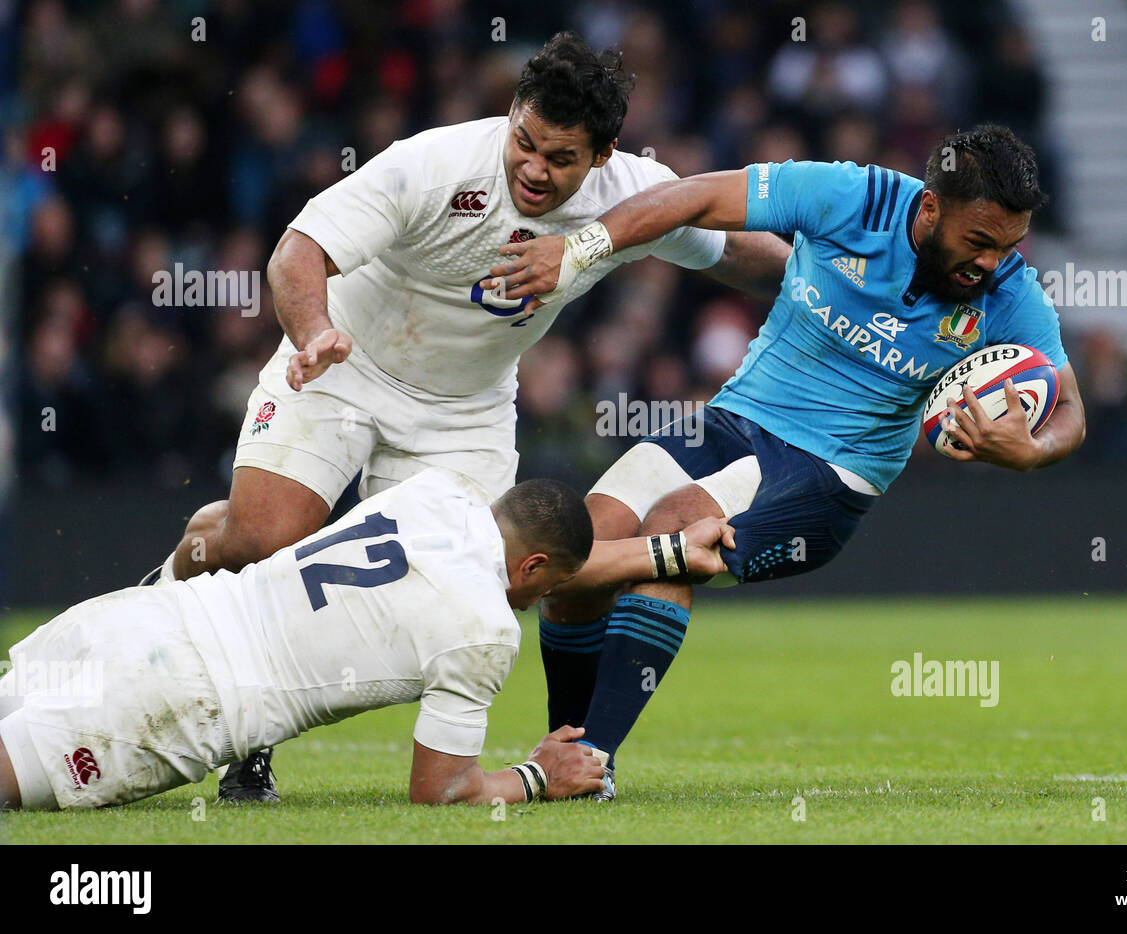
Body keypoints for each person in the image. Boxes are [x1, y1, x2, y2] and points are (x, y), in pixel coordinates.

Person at [144, 31, 789, 798]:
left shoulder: (632, 196)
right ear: (513, 112)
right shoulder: (435, 164)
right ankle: (183, 571)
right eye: (526, 142)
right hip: (345, 364)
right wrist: (314, 330)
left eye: (561, 159)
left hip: (465, 412)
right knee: (264, 538)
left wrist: (824, 296)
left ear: (605, 155)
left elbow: (734, 252)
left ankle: (260, 728)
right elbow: (298, 250)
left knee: (478, 590)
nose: (534, 168)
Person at [492, 124, 1087, 799]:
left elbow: (1070, 409)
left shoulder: (1011, 297)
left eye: (1008, 246)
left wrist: (1030, 450)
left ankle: (591, 762)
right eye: (978, 242)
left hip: (829, 475)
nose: (990, 263)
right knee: (580, 547)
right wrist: (577, 249)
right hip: (731, 420)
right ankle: (569, 750)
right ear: (929, 209)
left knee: (676, 532)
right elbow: (691, 198)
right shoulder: (849, 199)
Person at [0, 469, 735, 810]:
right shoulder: (483, 631)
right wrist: (539, 775)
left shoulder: (434, 492)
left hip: (138, 618)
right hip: (174, 701)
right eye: (544, 588)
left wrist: (663, 552)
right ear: (533, 566)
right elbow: (441, 789)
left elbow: (534, 555)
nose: (538, 602)